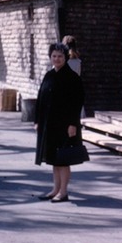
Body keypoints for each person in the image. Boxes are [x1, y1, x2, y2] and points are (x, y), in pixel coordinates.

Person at [34, 42, 85, 203]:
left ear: (66, 58)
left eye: (60, 56)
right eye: (54, 56)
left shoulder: (71, 78)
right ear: (50, 57)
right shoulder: (49, 75)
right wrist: (37, 121)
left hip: (65, 125)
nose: (57, 59)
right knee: (54, 159)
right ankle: (55, 189)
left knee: (62, 159)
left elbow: (76, 103)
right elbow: (40, 99)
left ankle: (63, 192)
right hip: (49, 124)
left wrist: (73, 124)